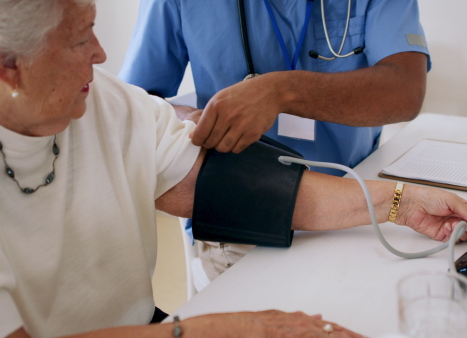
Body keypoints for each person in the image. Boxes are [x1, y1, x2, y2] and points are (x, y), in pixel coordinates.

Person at [0, 0, 467, 337]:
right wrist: (200, 330)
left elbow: (223, 186)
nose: (101, 53)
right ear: (10, 68)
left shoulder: (105, 103)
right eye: (80, 38)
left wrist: (397, 201)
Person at [119, 0, 432, 279]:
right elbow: (131, 106)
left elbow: (406, 90)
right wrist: (188, 119)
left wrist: (281, 91)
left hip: (360, 199)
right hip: (246, 213)